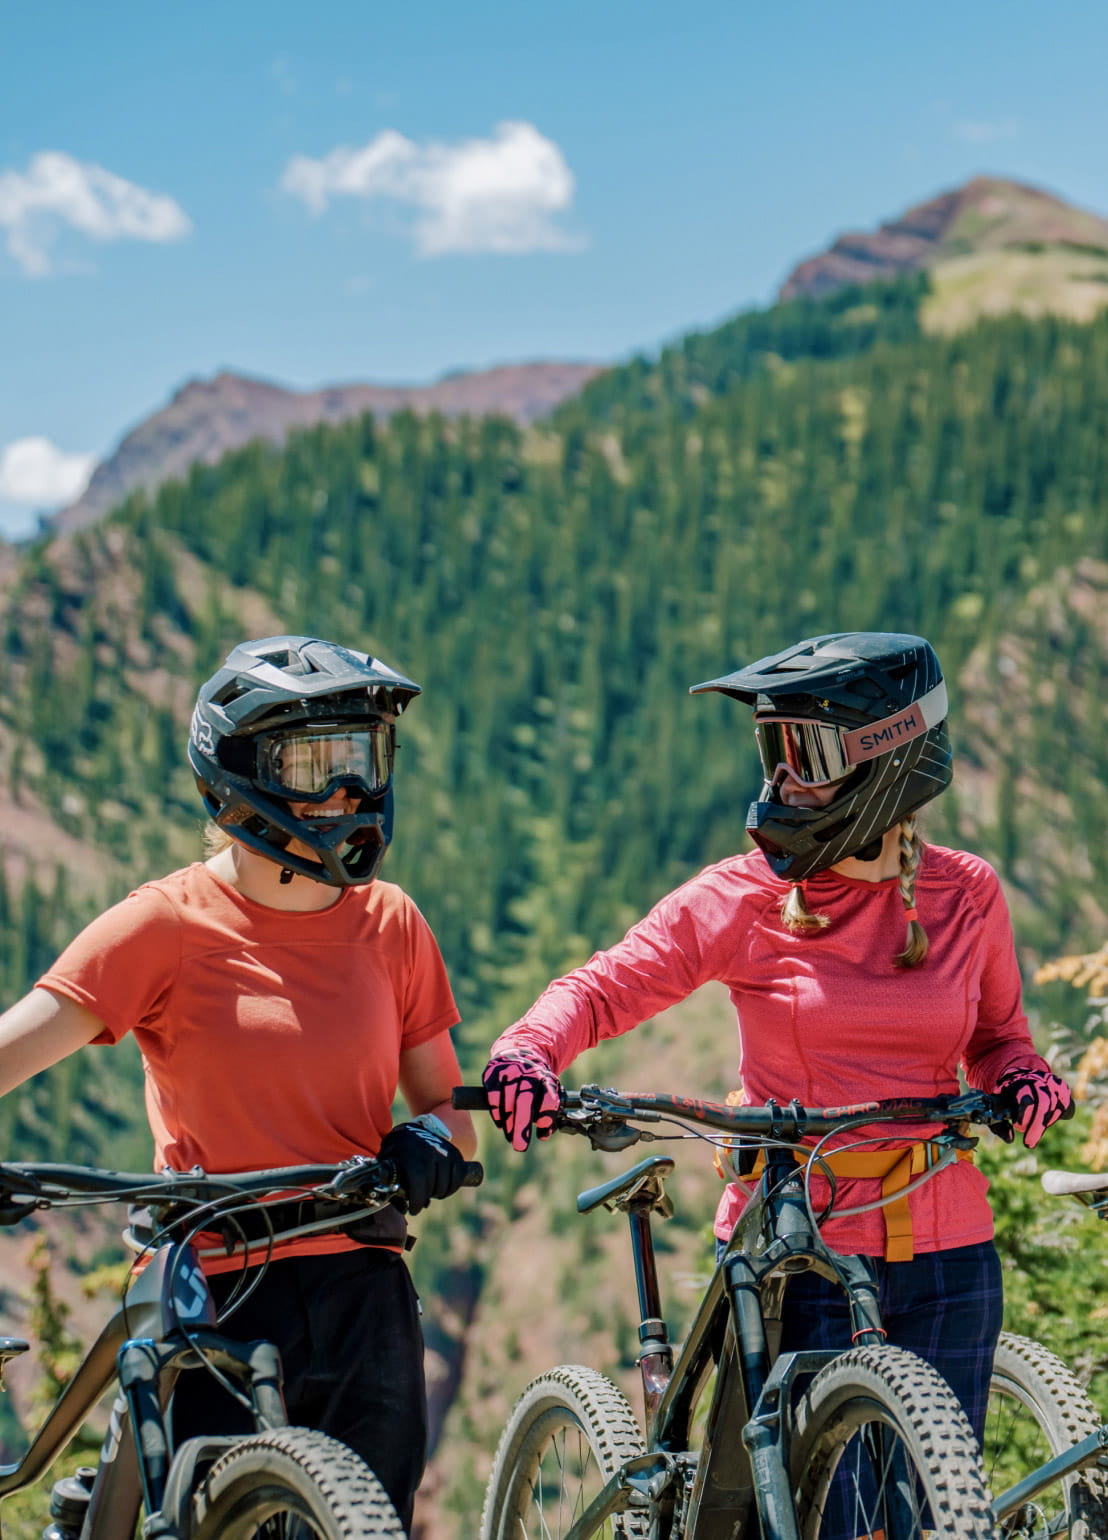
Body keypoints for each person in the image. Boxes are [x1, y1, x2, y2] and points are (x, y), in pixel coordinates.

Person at [481, 630, 1071, 1447]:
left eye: (808, 754)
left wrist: (1022, 1076)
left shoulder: (966, 893)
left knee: (937, 1514)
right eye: (773, 751)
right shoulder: (741, 896)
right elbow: (598, 989)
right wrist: (526, 1053)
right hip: (799, 1252)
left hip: (948, 1261)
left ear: (888, 762)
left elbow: (1000, 1037)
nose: (782, 779)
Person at [0, 634, 476, 1533]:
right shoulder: (165, 923)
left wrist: (431, 1142)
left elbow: (450, 1115)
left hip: (361, 1277)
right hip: (214, 1281)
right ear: (238, 771)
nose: (350, 792)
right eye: (315, 764)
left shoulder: (393, 923)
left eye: (363, 759)